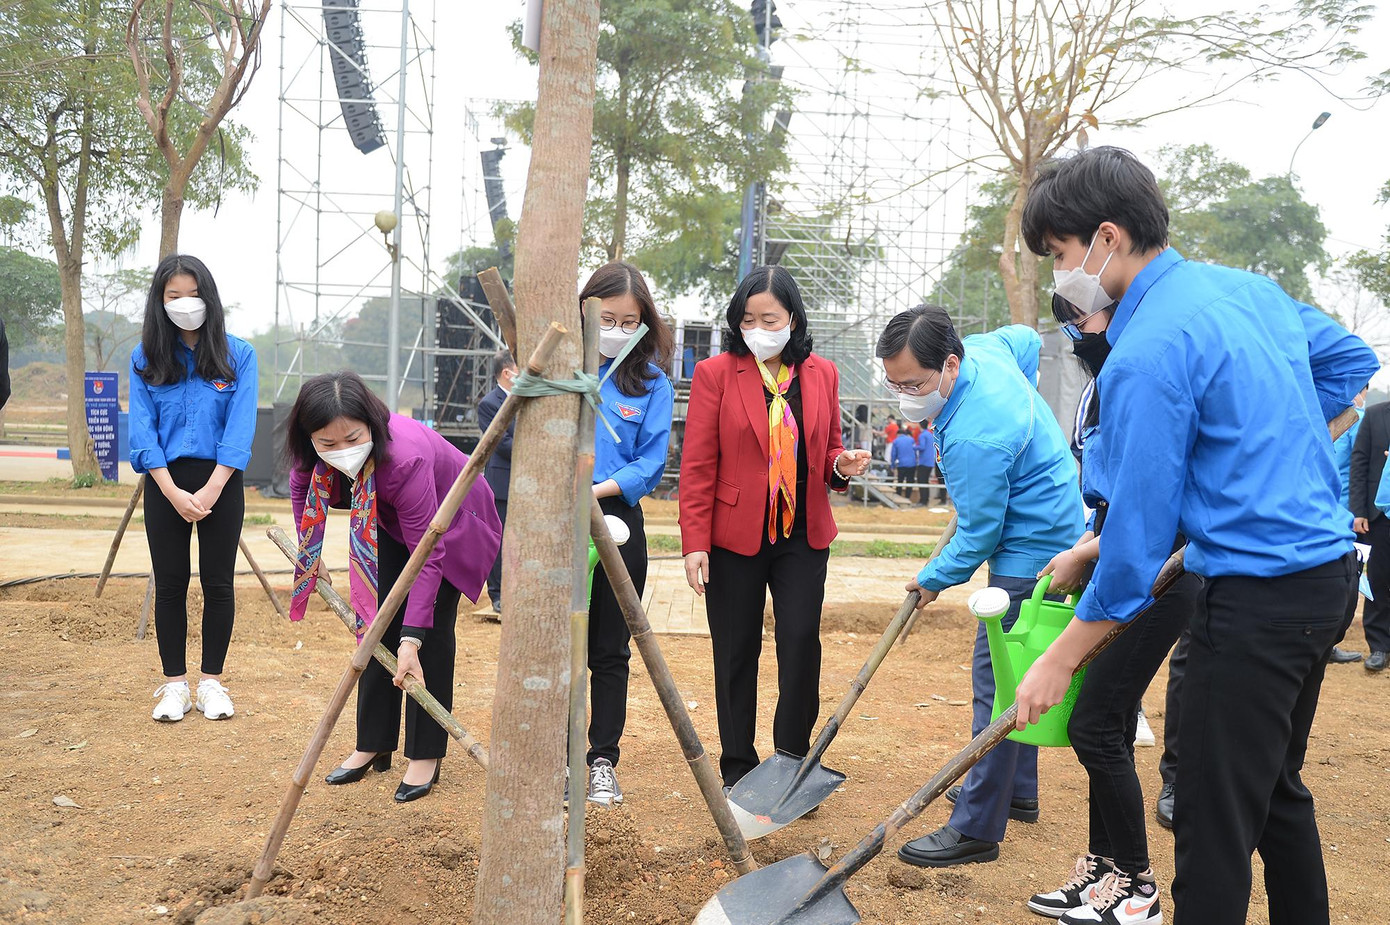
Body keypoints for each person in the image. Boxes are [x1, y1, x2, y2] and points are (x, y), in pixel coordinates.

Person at [1013, 146, 1377, 925]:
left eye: (1060, 253)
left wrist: (1059, 656)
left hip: (1255, 601)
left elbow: (1136, 550)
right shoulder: (1249, 290)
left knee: (1212, 823)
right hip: (1325, 580)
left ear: (1107, 238)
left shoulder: (1147, 353)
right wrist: (1264, 447)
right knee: (1275, 792)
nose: (1061, 273)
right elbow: (1351, 360)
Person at [878, 305, 1084, 869]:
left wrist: (931, 579)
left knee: (998, 686)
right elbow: (1026, 339)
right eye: (894, 384)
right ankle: (1017, 792)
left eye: (914, 385)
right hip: (1058, 524)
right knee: (1020, 673)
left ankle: (976, 827)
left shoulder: (977, 436)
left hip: (1031, 551)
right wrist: (1026, 405)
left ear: (950, 363)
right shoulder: (990, 351)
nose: (905, 397)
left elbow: (978, 535)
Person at [1021, 293, 1201, 924]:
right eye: (1067, 320)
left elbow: (1158, 509)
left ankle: (1139, 887)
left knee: (1093, 724)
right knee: (1111, 721)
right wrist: (1086, 545)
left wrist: (1086, 551)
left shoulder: (1146, 379)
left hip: (1160, 575)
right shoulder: (1104, 382)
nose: (1077, 330)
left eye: (1085, 316)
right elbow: (1113, 498)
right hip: (1123, 563)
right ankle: (1107, 869)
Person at [679, 265, 871, 788]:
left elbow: (828, 448)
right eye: (748, 319)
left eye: (770, 319)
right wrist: (694, 542)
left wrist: (840, 464)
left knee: (801, 643)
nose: (758, 329)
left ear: (793, 320)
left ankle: (791, 762)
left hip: (802, 534)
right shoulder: (716, 373)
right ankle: (738, 767)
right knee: (736, 650)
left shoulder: (821, 373)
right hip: (734, 536)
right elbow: (698, 464)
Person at [286, 371, 501, 803]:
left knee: (429, 635)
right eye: (328, 443)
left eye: (352, 438)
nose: (341, 451)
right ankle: (373, 742)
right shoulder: (314, 455)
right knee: (376, 622)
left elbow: (428, 555)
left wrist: (412, 639)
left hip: (452, 521)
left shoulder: (405, 459)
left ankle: (425, 754)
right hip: (385, 516)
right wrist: (312, 555)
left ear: (371, 424)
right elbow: (300, 488)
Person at [129, 255, 257, 724]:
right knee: (170, 584)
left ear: (210, 297)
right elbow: (142, 430)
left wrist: (212, 488)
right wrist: (171, 491)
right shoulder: (145, 358)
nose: (185, 303)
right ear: (159, 301)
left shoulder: (238, 355)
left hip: (221, 481)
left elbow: (240, 427)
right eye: (174, 295)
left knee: (218, 583)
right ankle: (175, 686)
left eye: (193, 294)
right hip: (164, 482)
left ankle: (211, 684)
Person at [579, 261, 675, 805]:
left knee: (609, 649)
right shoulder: (561, 370)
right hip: (557, 517)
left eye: (629, 321)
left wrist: (595, 491)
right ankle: (557, 756)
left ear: (644, 323)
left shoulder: (652, 384)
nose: (616, 329)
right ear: (584, 311)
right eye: (606, 317)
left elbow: (651, 463)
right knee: (555, 645)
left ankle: (601, 761)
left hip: (615, 514)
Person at [1348, 391, 1390, 672]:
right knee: (1378, 579)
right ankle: (1379, 646)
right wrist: (1358, 511)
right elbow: (1359, 464)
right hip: (1378, 515)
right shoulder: (1375, 415)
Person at [476, 348, 517, 615]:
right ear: (507, 373)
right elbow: (500, 443)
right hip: (502, 483)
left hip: (525, 483)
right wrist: (538, 447)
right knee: (499, 540)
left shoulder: (525, 397)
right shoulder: (489, 404)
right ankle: (498, 594)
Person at [1329, 387, 1368, 663]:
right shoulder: (1356, 417)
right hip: (1343, 510)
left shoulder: (1327, 416)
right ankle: (1329, 640)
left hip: (1331, 509)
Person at [890, 427, 917, 499]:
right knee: (910, 481)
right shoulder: (911, 440)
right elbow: (915, 451)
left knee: (900, 481)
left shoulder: (896, 441)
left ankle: (898, 496)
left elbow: (893, 454)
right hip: (912, 464)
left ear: (898, 434)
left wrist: (892, 466)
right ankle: (907, 497)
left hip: (901, 464)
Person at [914, 425, 936, 506]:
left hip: (923, 461)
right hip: (930, 461)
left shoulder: (922, 435)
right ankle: (925, 500)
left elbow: (922, 447)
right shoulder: (930, 434)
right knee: (926, 481)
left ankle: (923, 501)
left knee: (921, 481)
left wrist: (914, 447)